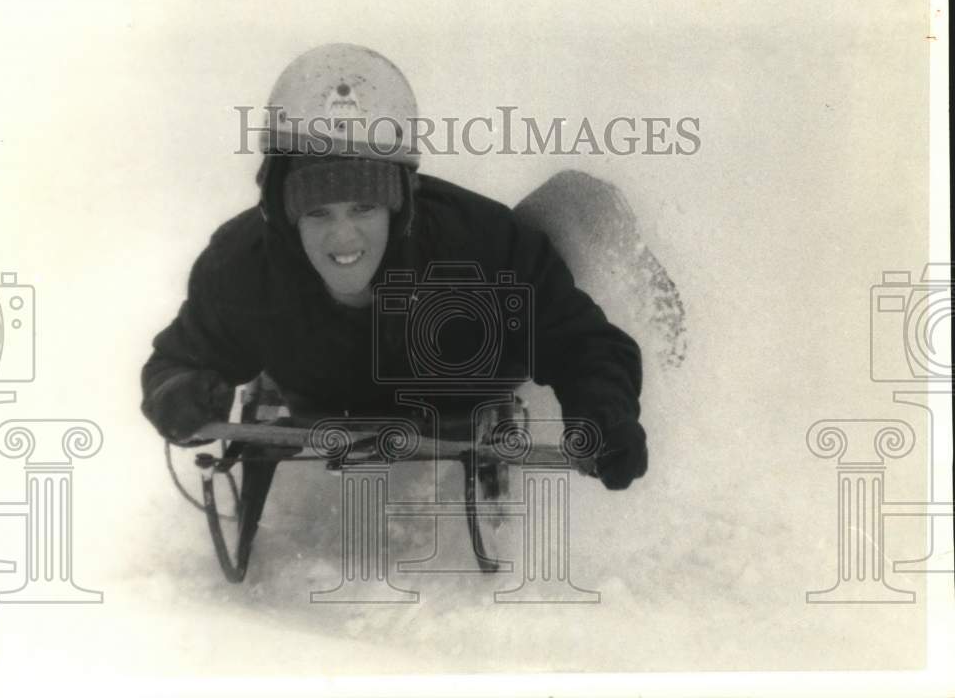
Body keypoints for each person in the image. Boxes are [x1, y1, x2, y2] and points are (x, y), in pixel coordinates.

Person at [141, 43, 647, 491]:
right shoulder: (242, 265)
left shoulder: (480, 246)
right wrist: (177, 394)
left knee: (577, 203)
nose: (343, 237)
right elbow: (175, 361)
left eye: (364, 208)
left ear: (398, 208)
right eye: (317, 212)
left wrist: (605, 411)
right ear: (283, 217)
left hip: (467, 385)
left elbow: (581, 342)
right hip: (327, 394)